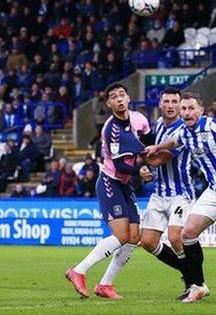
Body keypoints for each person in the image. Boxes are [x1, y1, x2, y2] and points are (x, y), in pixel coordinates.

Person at [145, 92, 216, 304]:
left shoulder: (214, 125)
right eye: (184, 109)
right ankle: (199, 286)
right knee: (187, 233)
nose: (187, 112)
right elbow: (172, 141)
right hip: (215, 189)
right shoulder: (183, 132)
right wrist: (157, 147)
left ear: (200, 110)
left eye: (191, 108)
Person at [66, 83, 154, 299]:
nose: (119, 99)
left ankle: (105, 285)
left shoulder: (139, 119)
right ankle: (78, 270)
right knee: (122, 235)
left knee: (134, 238)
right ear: (109, 103)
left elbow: (150, 141)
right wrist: (140, 170)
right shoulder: (111, 129)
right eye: (114, 97)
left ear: (129, 97)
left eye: (122, 95)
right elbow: (121, 166)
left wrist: (156, 152)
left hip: (125, 185)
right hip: (110, 182)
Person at [139, 88, 195, 300]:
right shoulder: (159, 125)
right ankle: (187, 271)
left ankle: (195, 282)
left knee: (175, 237)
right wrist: (144, 169)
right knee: (148, 241)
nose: (170, 105)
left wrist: (136, 155)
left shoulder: (183, 130)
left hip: (181, 194)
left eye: (174, 102)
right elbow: (151, 160)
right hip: (159, 192)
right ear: (160, 105)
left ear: (180, 107)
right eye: (167, 102)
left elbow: (157, 159)